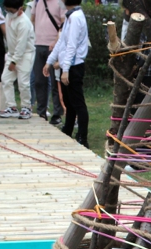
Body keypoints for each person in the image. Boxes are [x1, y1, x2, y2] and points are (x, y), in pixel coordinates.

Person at [43, 0, 88, 147]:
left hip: (74, 66)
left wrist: (66, 69)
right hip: (67, 65)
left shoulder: (75, 17)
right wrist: (50, 61)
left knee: (78, 103)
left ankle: (82, 136)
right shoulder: (70, 16)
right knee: (69, 102)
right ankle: (67, 130)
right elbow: (61, 42)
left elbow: (71, 46)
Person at [0, 0, 33, 119]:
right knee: (6, 79)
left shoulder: (24, 22)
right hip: (12, 54)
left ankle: (26, 107)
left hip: (25, 54)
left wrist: (14, 61)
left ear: (20, 8)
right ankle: (11, 107)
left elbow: (21, 45)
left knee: (23, 82)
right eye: (7, 10)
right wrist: (11, 57)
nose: (9, 12)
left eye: (11, 11)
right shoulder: (9, 16)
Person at [31, 0, 64, 121]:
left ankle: (57, 113)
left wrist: (56, 41)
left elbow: (63, 24)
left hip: (54, 46)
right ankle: (41, 112)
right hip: (38, 44)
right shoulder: (37, 2)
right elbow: (32, 19)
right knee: (39, 81)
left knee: (55, 81)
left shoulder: (60, 2)